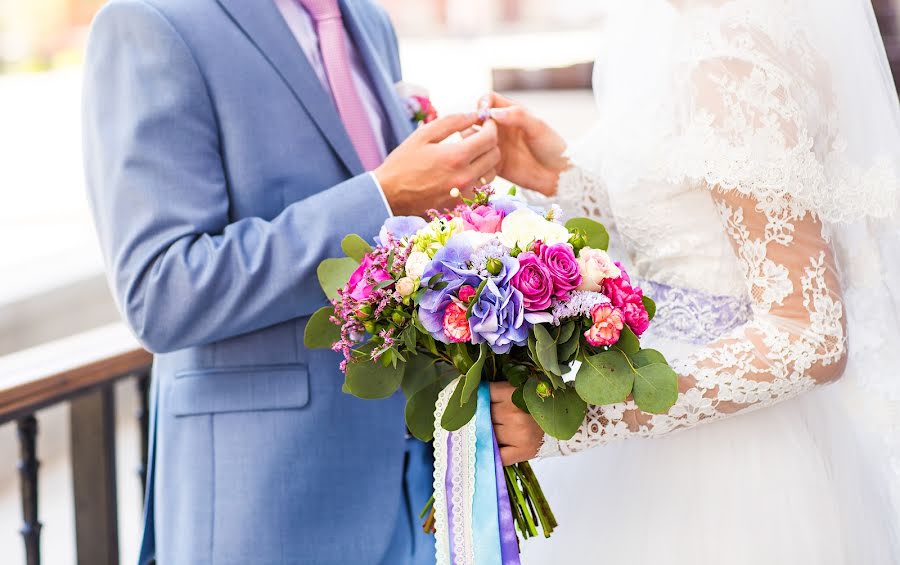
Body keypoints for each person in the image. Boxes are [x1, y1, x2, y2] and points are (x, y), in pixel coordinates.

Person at [81, 0, 500, 563]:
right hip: (263, 503)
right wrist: (380, 197)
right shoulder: (151, 21)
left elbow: (390, 247)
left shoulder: (368, 21)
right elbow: (161, 289)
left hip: (411, 497)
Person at [484, 0, 900, 563]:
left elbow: (809, 333)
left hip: (733, 470)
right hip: (653, 446)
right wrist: (565, 179)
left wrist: (580, 420)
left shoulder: (736, 57)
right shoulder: (669, 25)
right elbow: (689, 232)